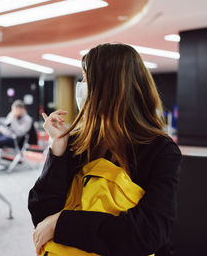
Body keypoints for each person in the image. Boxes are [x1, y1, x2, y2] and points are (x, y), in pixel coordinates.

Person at [28, 43, 182, 256]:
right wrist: (58, 150)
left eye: (86, 79)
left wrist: (61, 224)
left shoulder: (160, 151)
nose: (80, 86)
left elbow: (145, 234)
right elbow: (42, 213)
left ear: (111, 89)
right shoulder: (77, 142)